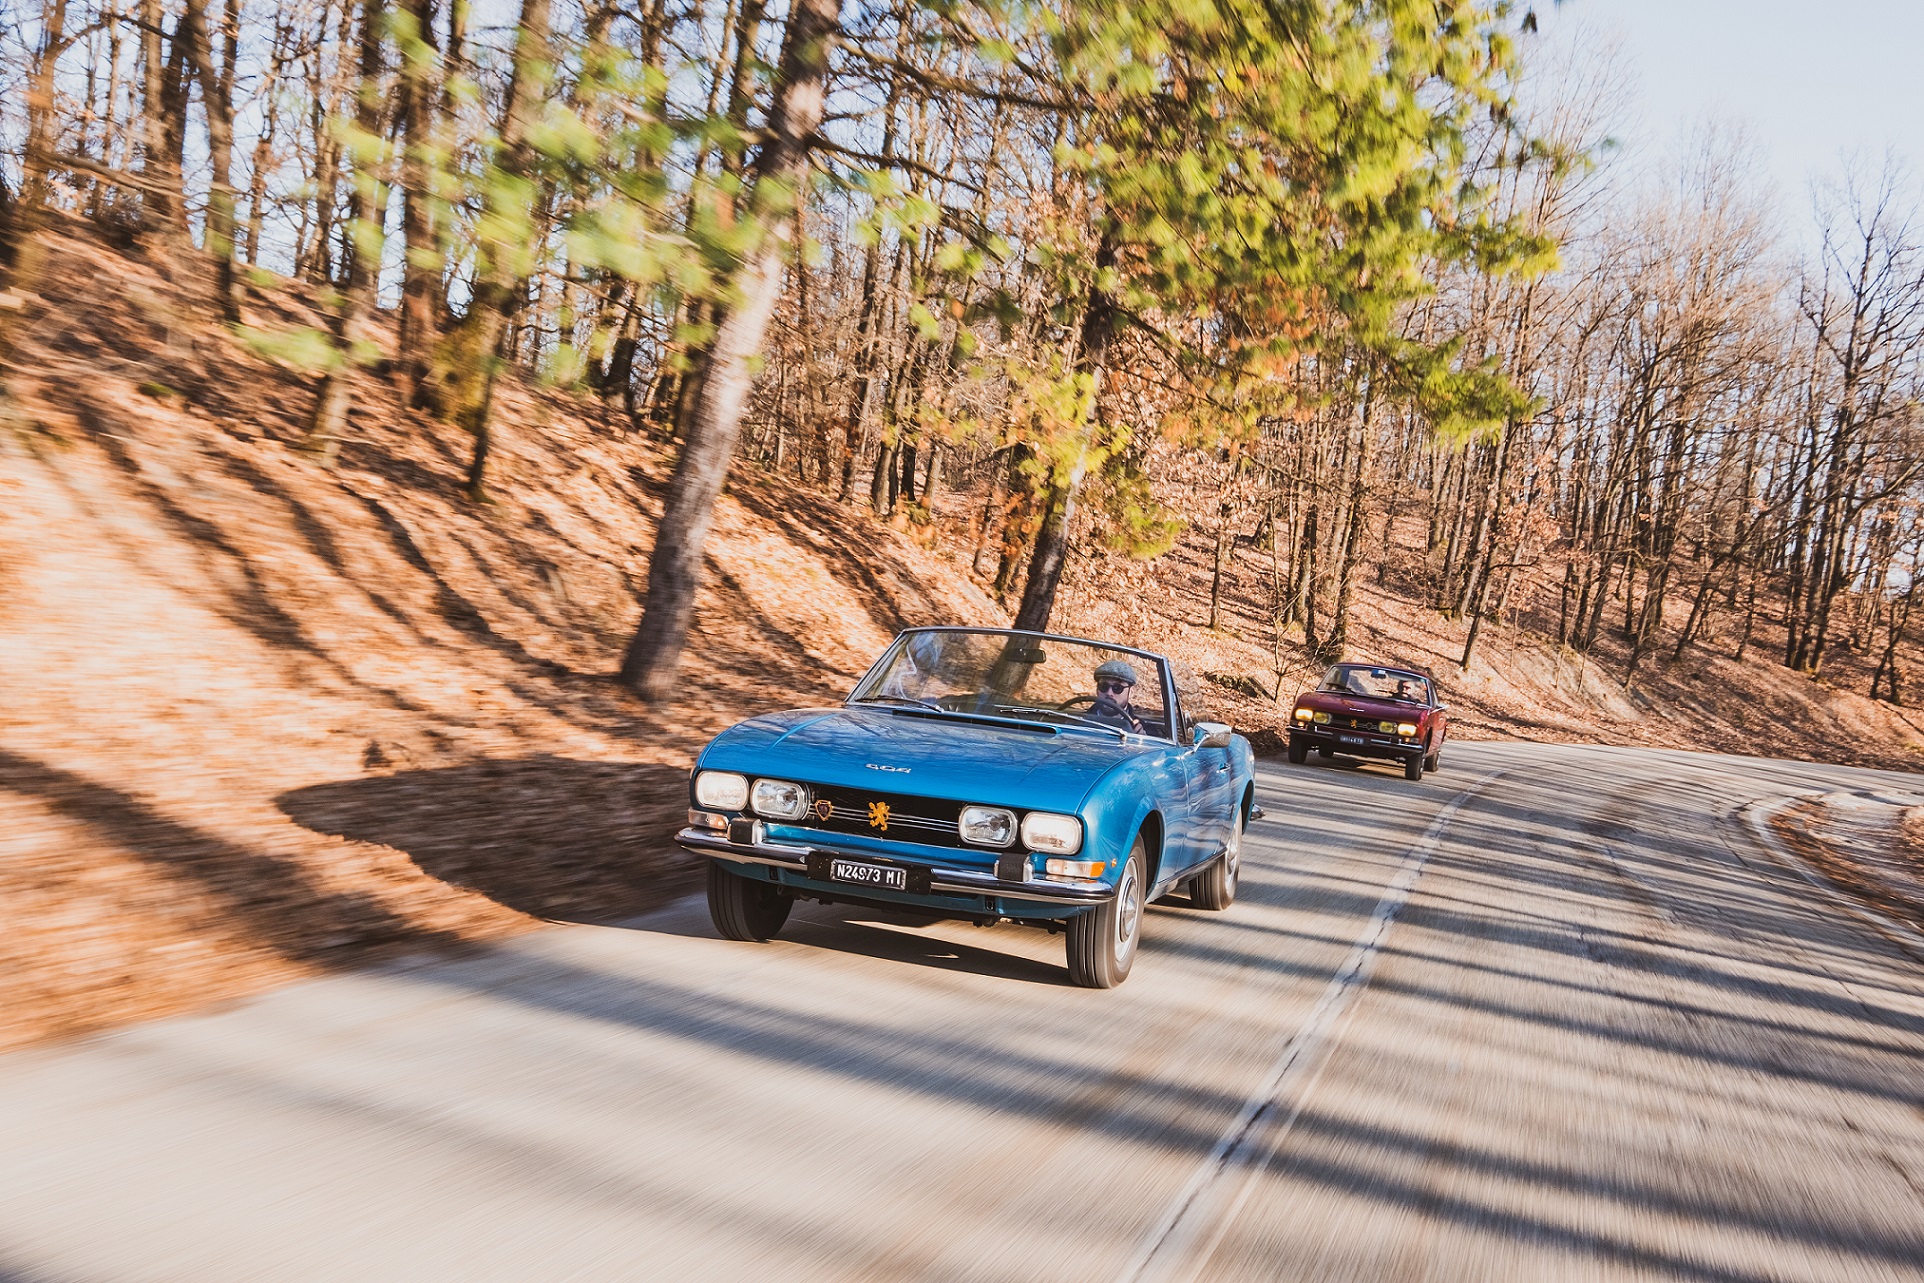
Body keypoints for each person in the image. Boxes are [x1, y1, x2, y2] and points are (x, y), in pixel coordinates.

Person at [1088, 659, 1147, 733]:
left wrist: (1140, 739)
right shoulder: (1079, 720)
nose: (1109, 693)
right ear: (1097, 689)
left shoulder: (1144, 729)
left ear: (1130, 692)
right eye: (1103, 686)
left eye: (1117, 688)